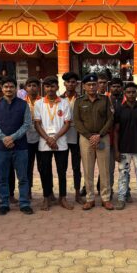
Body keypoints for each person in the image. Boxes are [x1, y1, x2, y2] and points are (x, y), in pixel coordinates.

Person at [0, 77, 33, 216]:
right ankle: (4, 203)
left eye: (11, 87)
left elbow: (27, 124)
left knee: (23, 177)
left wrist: (12, 137)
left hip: (20, 147)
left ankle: (24, 203)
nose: (8, 89)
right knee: (2, 177)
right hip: (1, 147)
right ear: (2, 89)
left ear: (16, 88)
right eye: (6, 87)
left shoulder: (23, 104)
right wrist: (4, 138)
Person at [73, 73, 114, 210]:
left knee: (105, 169)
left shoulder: (105, 100)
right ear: (84, 86)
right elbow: (77, 121)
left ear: (97, 85)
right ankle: (90, 198)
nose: (91, 87)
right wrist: (89, 136)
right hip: (86, 139)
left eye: (94, 84)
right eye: (89, 85)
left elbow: (110, 119)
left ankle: (105, 198)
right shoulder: (79, 101)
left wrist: (99, 135)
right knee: (88, 169)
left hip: (103, 138)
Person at [34, 77, 73, 211]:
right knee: (45, 171)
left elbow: (67, 123)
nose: (50, 89)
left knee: (62, 171)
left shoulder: (64, 103)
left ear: (57, 87)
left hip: (60, 143)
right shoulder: (38, 103)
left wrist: (55, 138)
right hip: (44, 143)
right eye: (47, 86)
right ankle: (46, 197)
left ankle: (63, 197)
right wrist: (48, 139)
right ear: (43, 88)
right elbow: (37, 124)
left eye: (52, 86)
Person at [113, 81, 137, 210]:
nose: (131, 94)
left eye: (133, 92)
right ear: (124, 93)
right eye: (128, 92)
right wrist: (116, 150)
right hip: (123, 150)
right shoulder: (119, 110)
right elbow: (116, 131)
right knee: (123, 175)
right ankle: (121, 199)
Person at [62, 72, 83, 204]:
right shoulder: (58, 99)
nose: (70, 84)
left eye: (73, 82)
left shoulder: (82, 98)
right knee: (62, 167)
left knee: (76, 167)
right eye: (68, 82)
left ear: (77, 84)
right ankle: (62, 195)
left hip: (77, 136)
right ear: (64, 83)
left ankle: (77, 193)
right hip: (62, 137)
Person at [24, 78, 42, 196]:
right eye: (29, 85)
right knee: (27, 166)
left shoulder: (44, 101)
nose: (32, 88)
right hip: (26, 138)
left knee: (43, 166)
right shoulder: (21, 102)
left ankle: (48, 191)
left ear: (38, 87)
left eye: (34, 85)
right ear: (26, 88)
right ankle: (28, 190)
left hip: (42, 138)